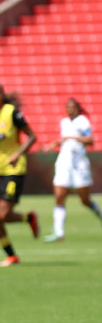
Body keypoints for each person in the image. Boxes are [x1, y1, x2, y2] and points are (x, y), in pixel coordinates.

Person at [0, 82, 39, 267]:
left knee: (3, 214)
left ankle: (29, 218)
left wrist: (18, 154)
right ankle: (11, 255)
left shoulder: (12, 113)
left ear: (2, 95)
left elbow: (32, 136)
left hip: (13, 170)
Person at [43, 98, 101, 242]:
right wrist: (53, 144)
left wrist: (73, 137)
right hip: (64, 163)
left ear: (77, 108)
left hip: (80, 165)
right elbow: (64, 140)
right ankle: (59, 232)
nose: (70, 109)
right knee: (59, 197)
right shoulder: (64, 122)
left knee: (85, 200)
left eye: (73, 107)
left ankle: (99, 213)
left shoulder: (83, 121)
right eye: (68, 107)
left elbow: (90, 140)